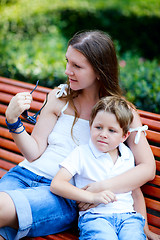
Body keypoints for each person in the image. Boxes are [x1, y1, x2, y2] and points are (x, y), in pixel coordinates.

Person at [0, 30, 158, 240]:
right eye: (67, 62)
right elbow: (34, 153)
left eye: (77, 66)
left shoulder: (120, 113)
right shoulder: (58, 97)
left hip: (60, 194)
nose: (67, 71)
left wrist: (97, 190)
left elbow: (147, 168)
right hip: (22, 176)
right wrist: (13, 122)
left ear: (99, 71)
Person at [51, 95, 147, 240]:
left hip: (129, 218)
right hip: (95, 218)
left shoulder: (127, 155)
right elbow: (57, 184)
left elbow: (136, 193)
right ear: (90, 126)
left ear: (124, 136)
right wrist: (92, 197)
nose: (103, 134)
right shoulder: (82, 153)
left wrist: (146, 230)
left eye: (111, 130)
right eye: (98, 127)